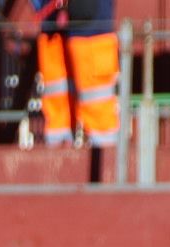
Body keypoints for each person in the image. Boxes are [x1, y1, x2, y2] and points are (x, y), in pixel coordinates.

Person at [32, 0, 119, 148]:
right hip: (52, 23)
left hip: (90, 25)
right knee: (58, 106)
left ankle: (105, 156)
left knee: (98, 108)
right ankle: (58, 150)